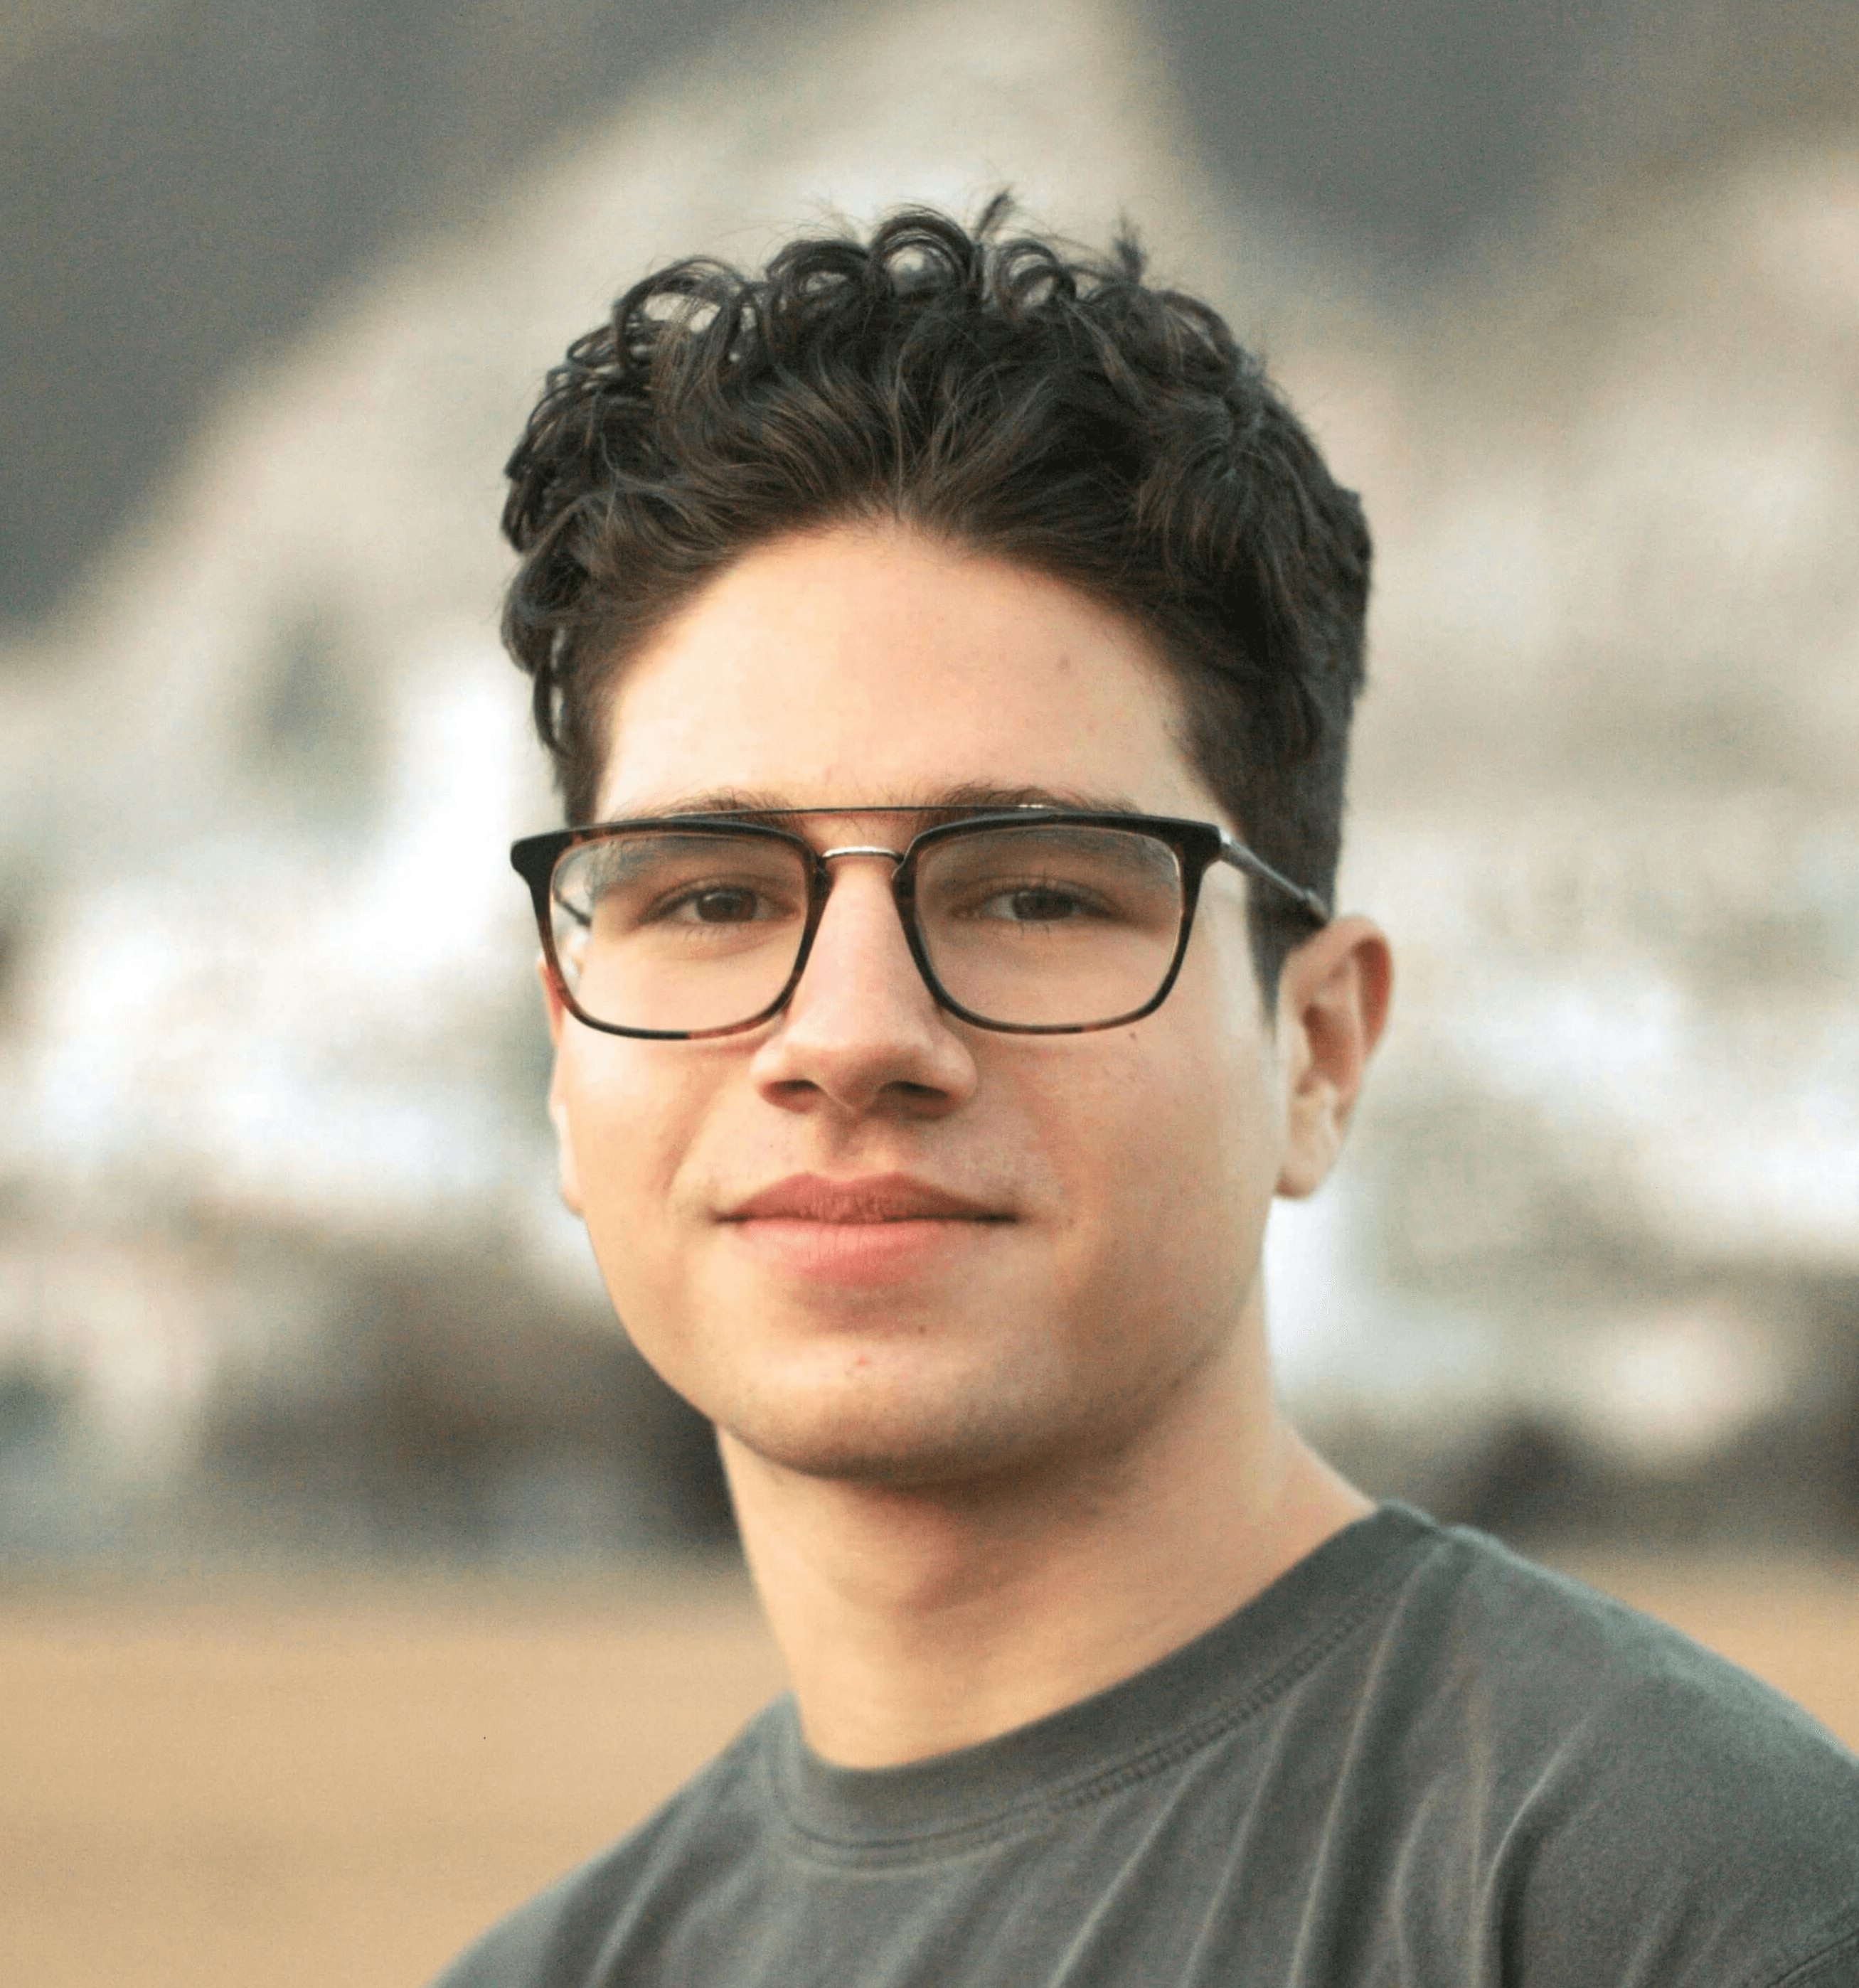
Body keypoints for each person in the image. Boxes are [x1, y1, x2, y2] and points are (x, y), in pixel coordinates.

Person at [432, 201, 1859, 1986]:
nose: (849, 1032)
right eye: (711, 897)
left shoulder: (1676, 1904)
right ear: (565, 1051)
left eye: (1035, 890)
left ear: (1318, 1052)